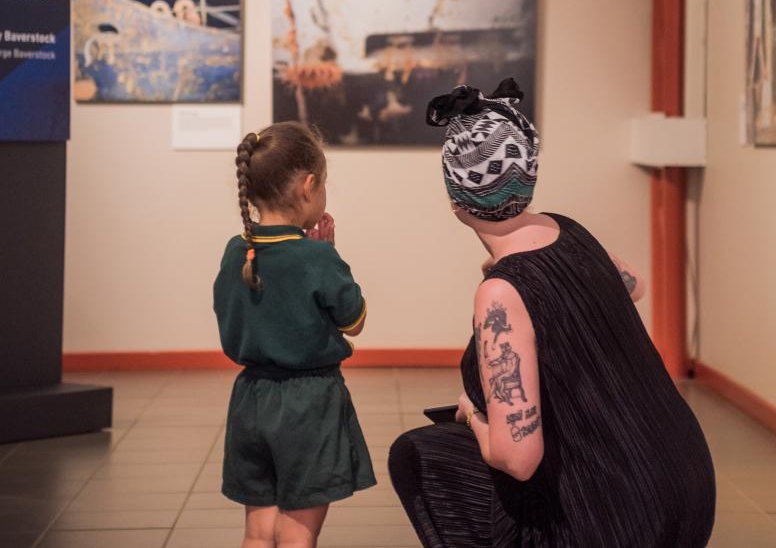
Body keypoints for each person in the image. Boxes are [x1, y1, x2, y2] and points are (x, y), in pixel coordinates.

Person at [388, 79, 716, 547]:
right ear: (529, 176)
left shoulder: (502, 292)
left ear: (457, 202)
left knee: (417, 454)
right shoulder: (567, 230)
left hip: (621, 517)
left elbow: (517, 457)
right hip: (686, 481)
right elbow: (635, 286)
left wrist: (471, 416)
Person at [213, 122, 376, 548]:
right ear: (308, 186)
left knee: (258, 531)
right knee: (297, 534)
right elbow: (353, 319)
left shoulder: (236, 250)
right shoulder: (317, 257)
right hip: (308, 406)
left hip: (249, 400)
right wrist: (330, 254)